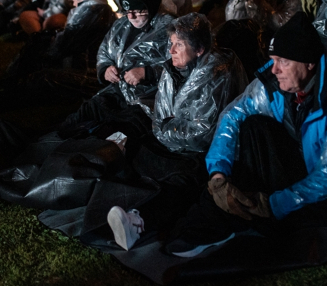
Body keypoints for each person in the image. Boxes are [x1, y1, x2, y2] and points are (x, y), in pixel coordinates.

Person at [163, 12, 327, 257]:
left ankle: (248, 221)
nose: (275, 68)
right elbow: (232, 116)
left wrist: (272, 204)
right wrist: (218, 173)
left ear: (309, 62)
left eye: (284, 61)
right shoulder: (276, 79)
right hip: (295, 168)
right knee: (252, 126)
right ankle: (207, 222)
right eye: (273, 59)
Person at [106, 13, 249, 250]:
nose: (171, 50)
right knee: (135, 145)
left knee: (183, 183)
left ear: (200, 48)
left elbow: (202, 133)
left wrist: (166, 127)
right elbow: (162, 117)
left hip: (205, 153)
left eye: (179, 45)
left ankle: (139, 221)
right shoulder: (175, 70)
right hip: (174, 141)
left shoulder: (216, 74)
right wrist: (166, 127)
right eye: (171, 43)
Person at [58, 0, 173, 131]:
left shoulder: (169, 29)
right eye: (127, 10)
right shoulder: (122, 25)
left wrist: (148, 73)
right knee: (83, 117)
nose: (131, 16)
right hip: (117, 93)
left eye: (137, 10)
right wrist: (105, 69)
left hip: (148, 102)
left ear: (150, 4)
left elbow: (184, 67)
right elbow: (105, 52)